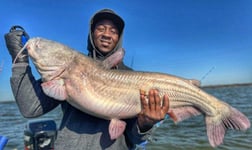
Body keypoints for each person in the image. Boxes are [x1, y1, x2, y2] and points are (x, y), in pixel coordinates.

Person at [4, 9, 170, 150]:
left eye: (113, 31)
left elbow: (135, 139)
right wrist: (20, 61)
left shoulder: (131, 76)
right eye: (101, 29)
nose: (106, 34)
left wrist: (145, 124)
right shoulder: (69, 66)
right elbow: (30, 108)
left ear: (119, 38)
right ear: (92, 33)